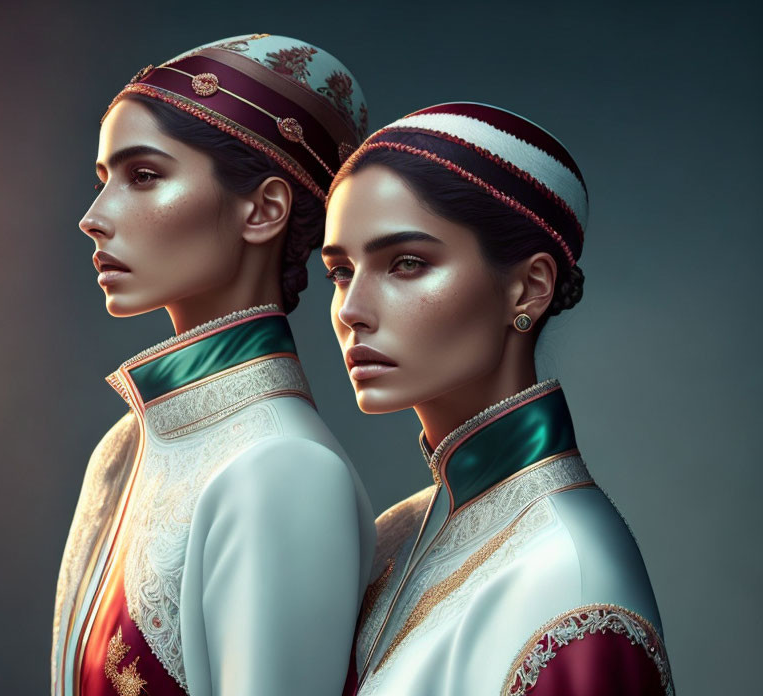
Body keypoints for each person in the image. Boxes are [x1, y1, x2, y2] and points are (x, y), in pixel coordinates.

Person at [51, 34, 375, 696]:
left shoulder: (285, 470)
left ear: (263, 209)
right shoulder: (127, 445)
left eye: (143, 176)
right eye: (102, 180)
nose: (93, 217)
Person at [323, 102, 674, 695]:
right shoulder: (395, 534)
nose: (352, 311)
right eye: (341, 271)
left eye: (406, 263)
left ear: (530, 286)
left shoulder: (569, 572)